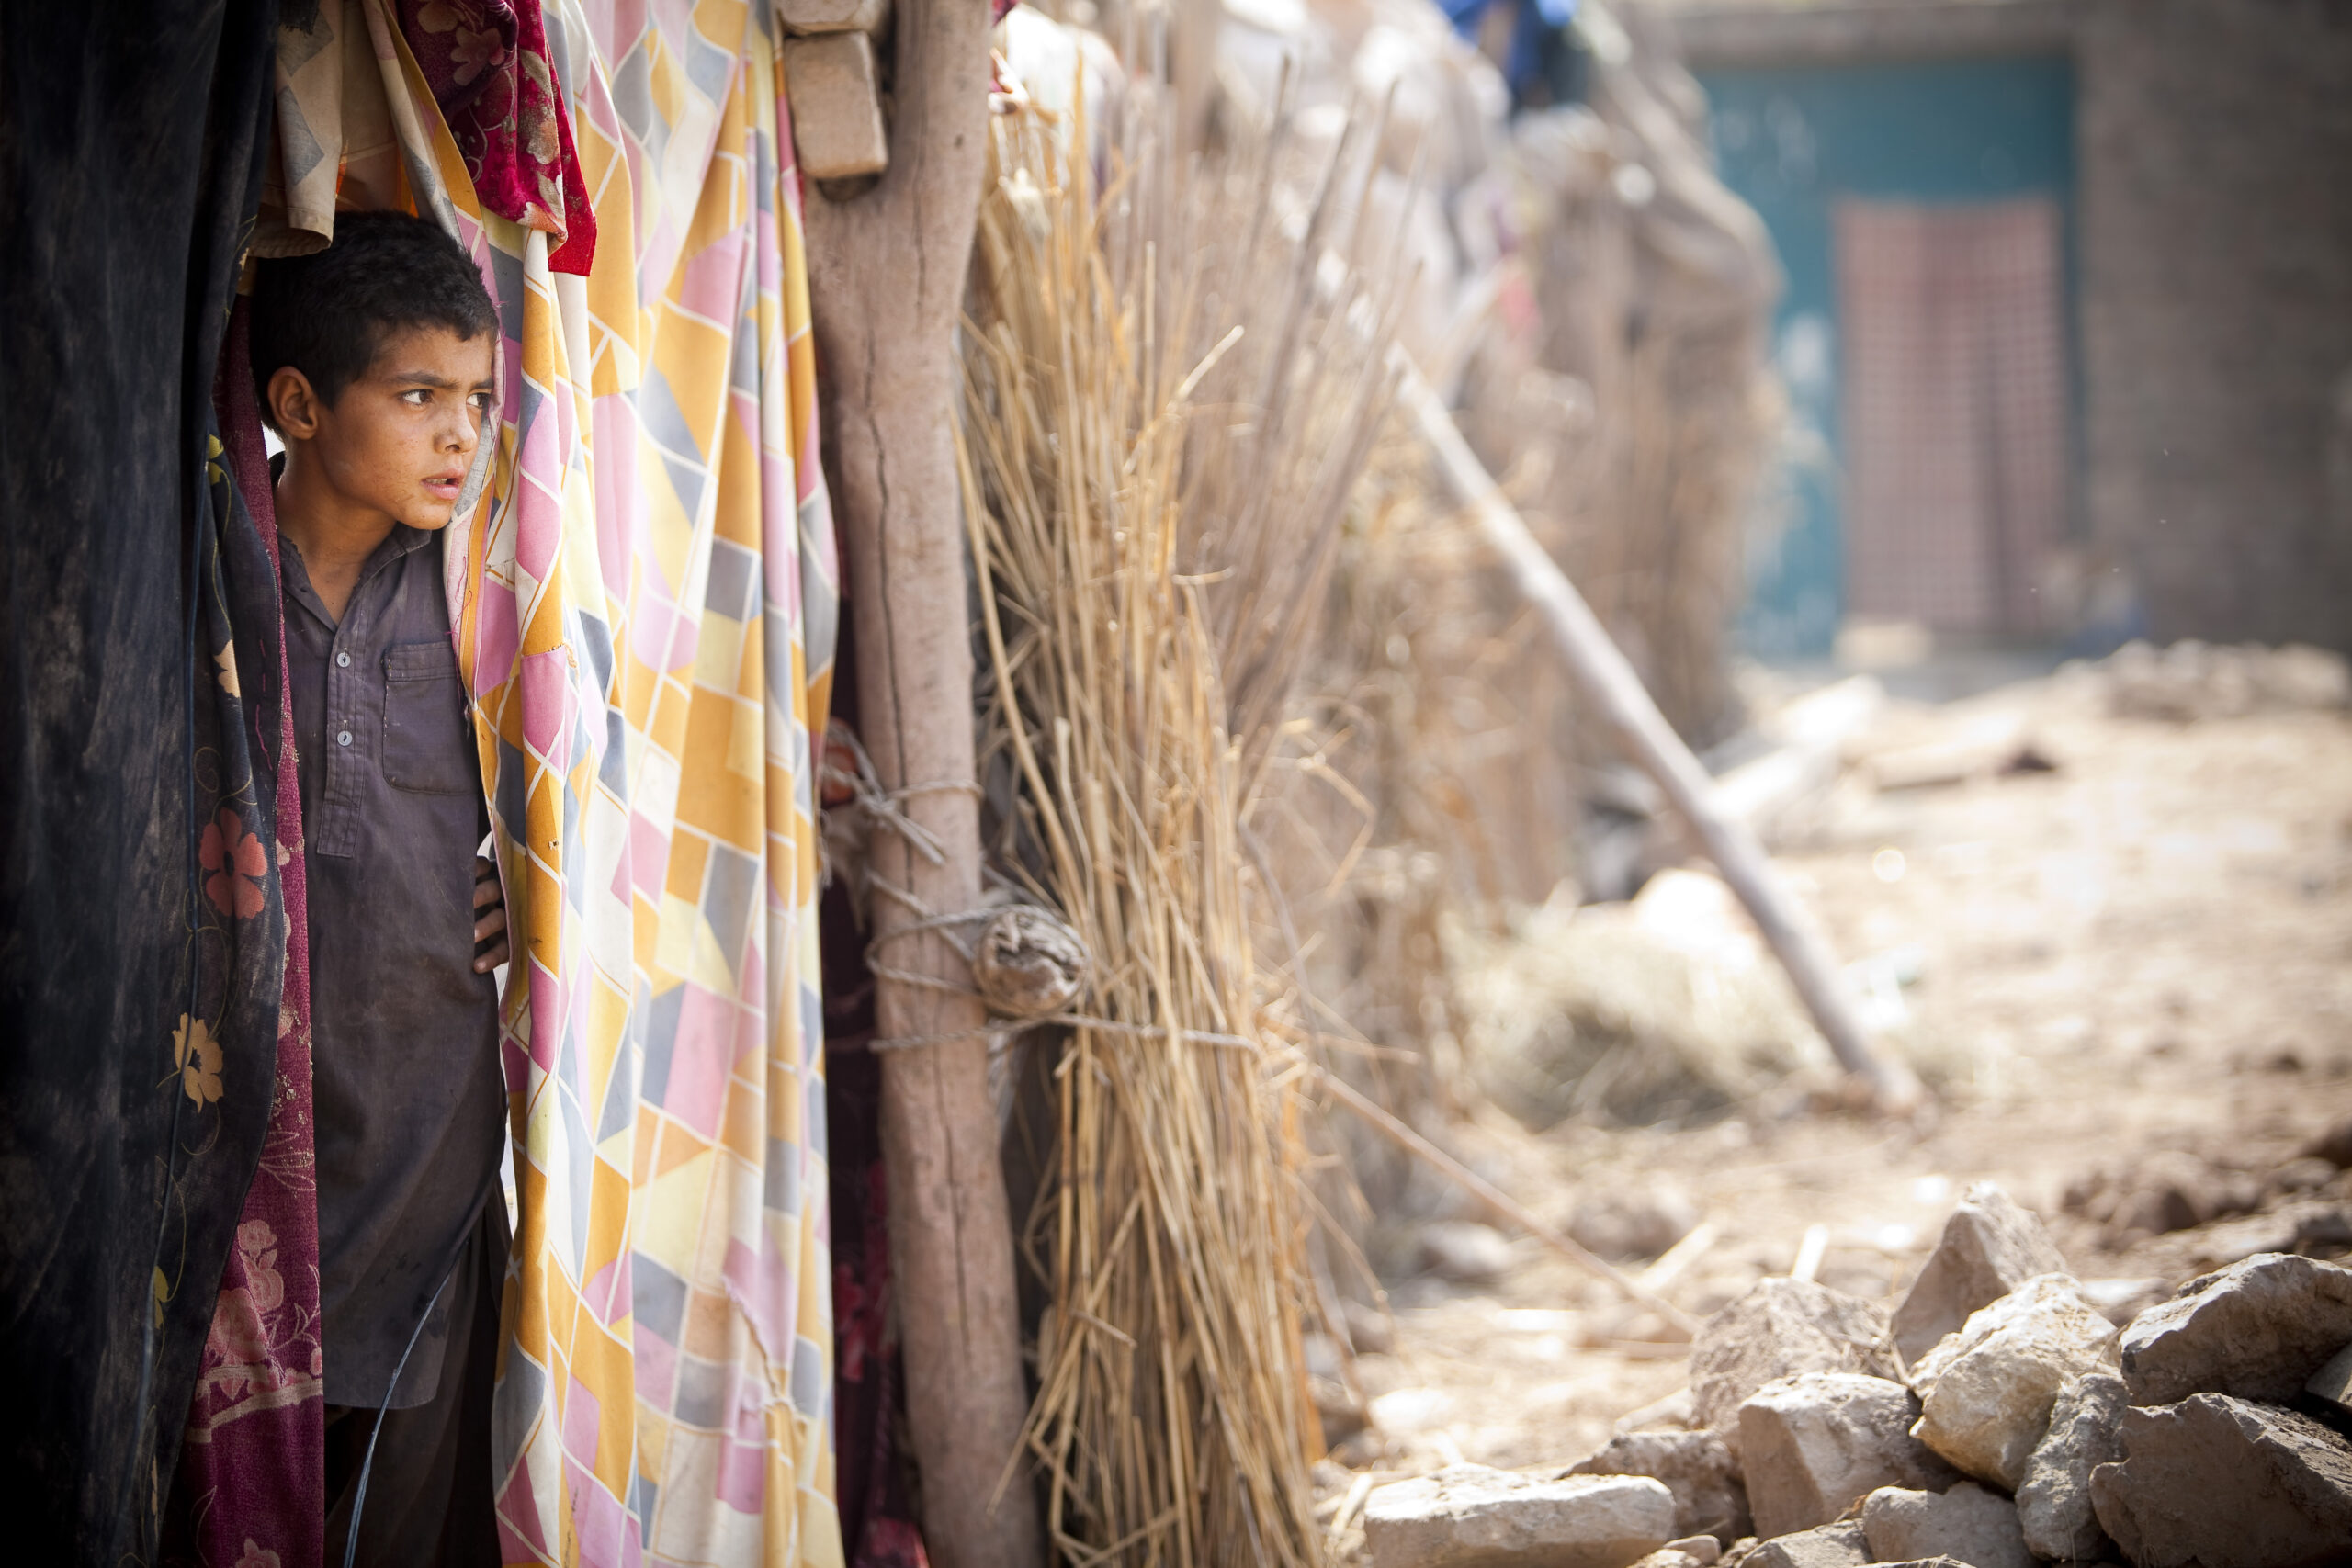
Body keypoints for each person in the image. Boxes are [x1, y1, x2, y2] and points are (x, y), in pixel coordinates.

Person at [250, 210, 510, 1566]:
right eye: (417, 398)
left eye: (474, 399)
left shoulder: (485, 595)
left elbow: (583, 786)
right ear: (299, 404)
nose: (459, 436)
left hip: (428, 1134)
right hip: (263, 1139)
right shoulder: (216, 582)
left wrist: (550, 881)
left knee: (396, 1514)